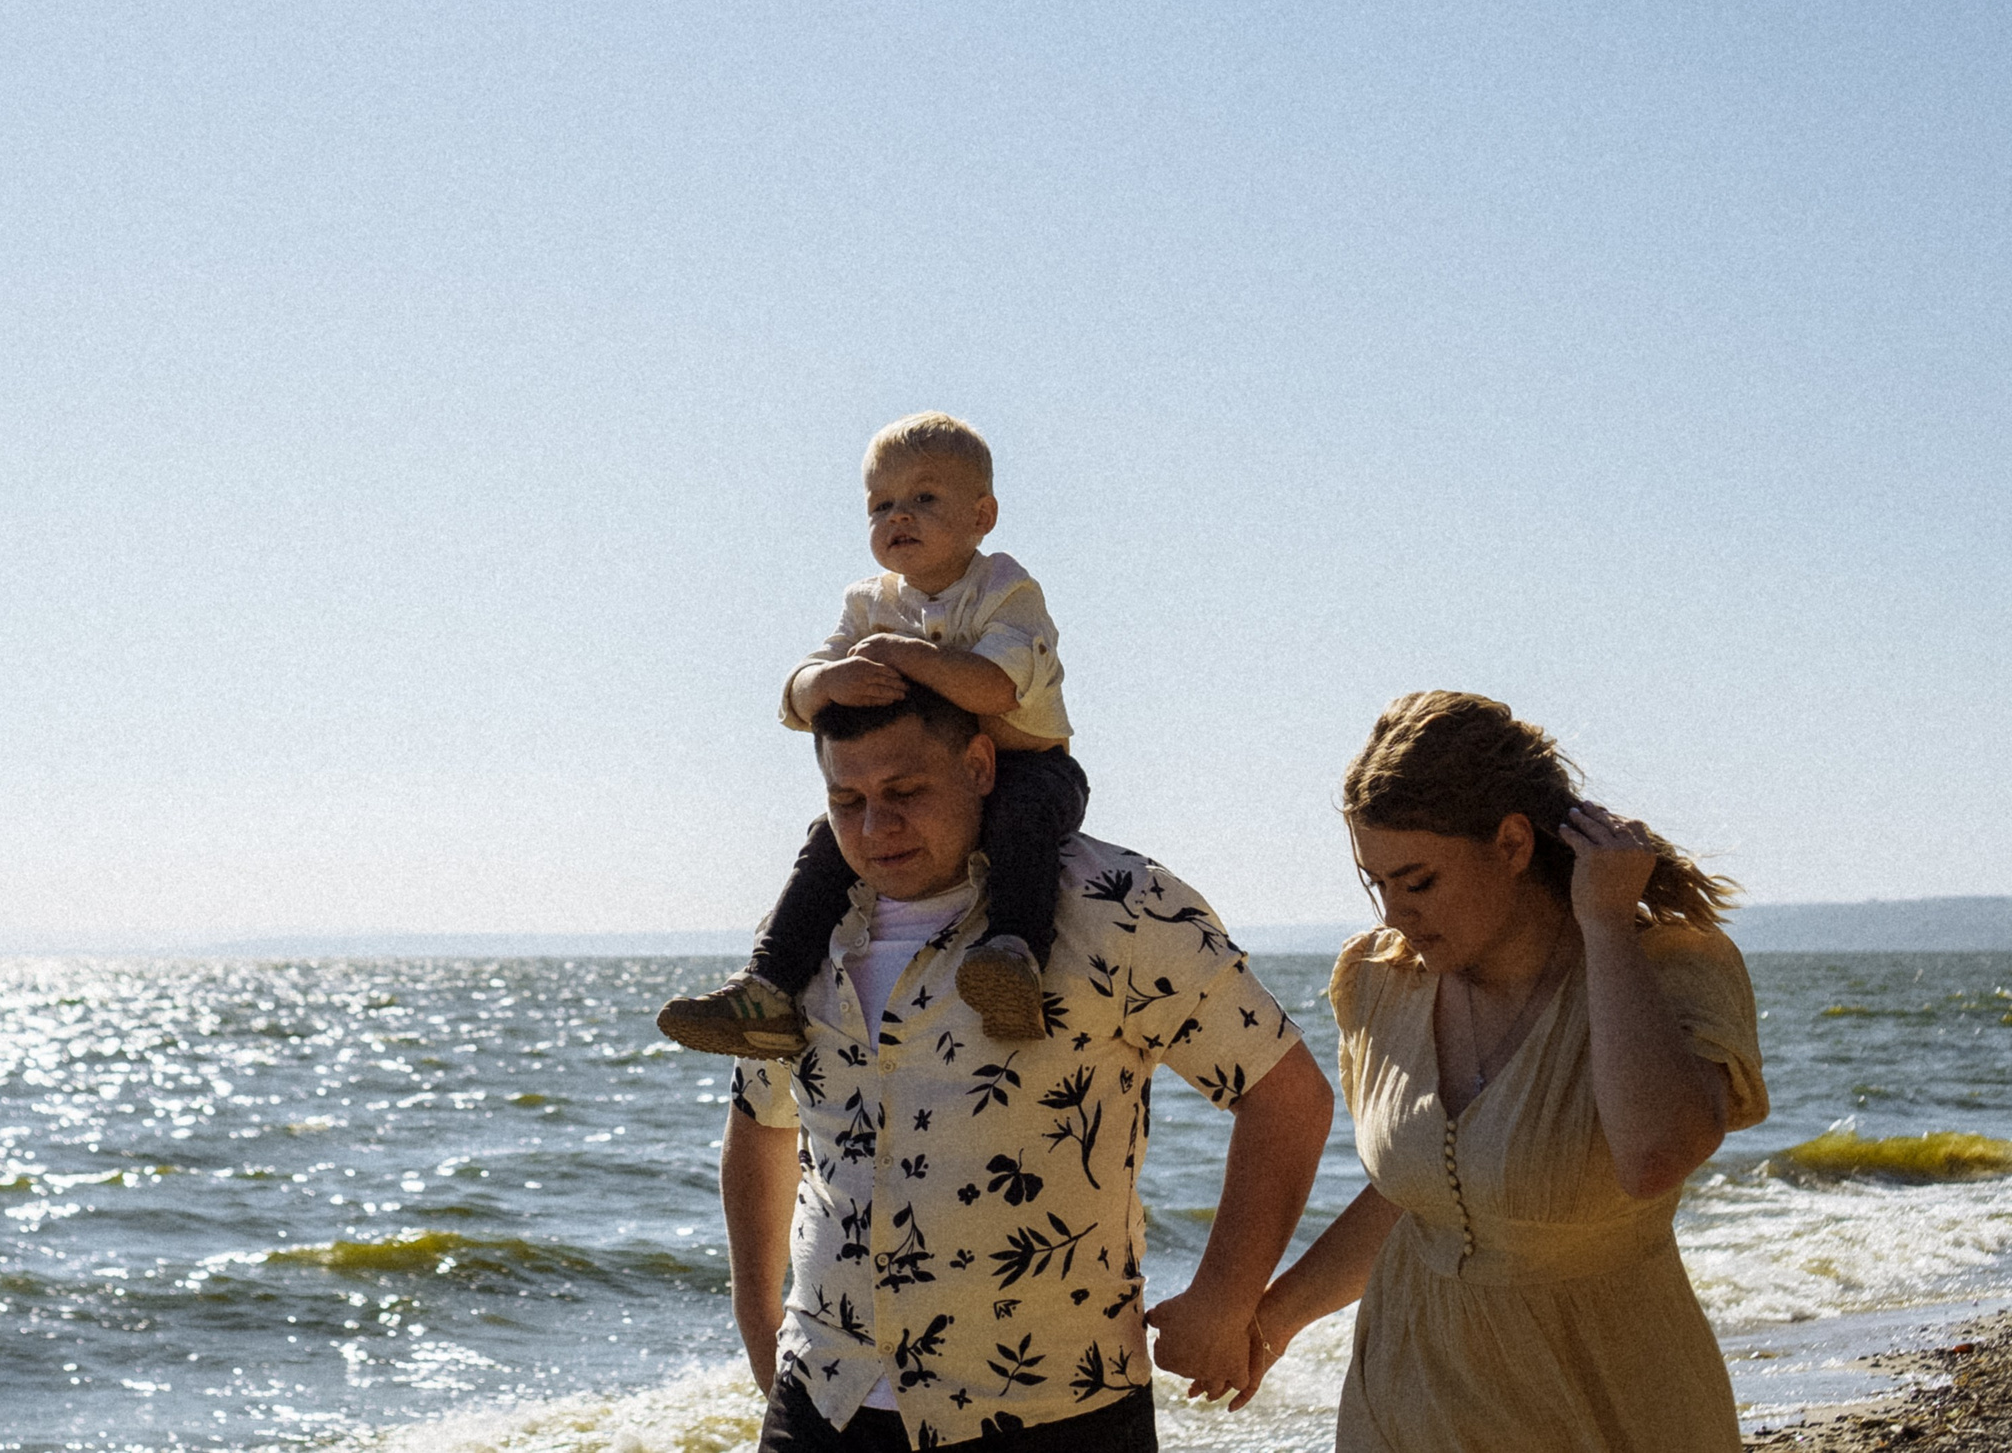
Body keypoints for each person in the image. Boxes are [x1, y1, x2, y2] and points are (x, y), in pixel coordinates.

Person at [720, 682, 1333, 1451]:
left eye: (905, 791)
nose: (876, 826)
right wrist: (758, 1318)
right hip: (823, 1402)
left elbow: (1287, 1095)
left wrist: (1225, 1296)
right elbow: (761, 1121)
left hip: (1054, 1410)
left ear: (980, 765)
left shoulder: (1116, 903)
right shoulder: (803, 933)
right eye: (847, 800)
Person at [1243, 691, 1769, 1451]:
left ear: (1513, 844)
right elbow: (1424, 1196)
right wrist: (1269, 1321)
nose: (1393, 914)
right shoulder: (1380, 980)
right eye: (1376, 883)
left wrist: (1605, 926)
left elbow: (1655, 1154)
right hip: (1404, 1406)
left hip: (1610, 1409)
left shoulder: (1669, 969)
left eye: (1418, 882)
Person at [662, 412, 1087, 1054]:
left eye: (924, 498)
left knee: (1021, 822)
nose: (899, 516)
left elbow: (995, 689)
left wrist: (902, 654)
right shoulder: (868, 603)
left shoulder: (1007, 591)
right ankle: (768, 988)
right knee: (830, 840)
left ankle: (1012, 959)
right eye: (880, 505)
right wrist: (827, 682)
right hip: (924, 777)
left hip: (1029, 768)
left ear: (982, 516)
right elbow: (798, 695)